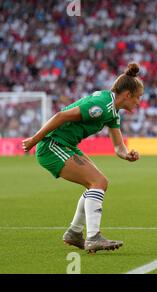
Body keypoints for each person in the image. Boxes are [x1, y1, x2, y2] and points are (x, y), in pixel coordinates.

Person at [22, 63, 144, 254]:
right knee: (98, 182)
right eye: (138, 97)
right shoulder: (101, 106)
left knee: (99, 183)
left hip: (66, 145)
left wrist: (126, 155)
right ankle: (93, 237)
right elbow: (61, 116)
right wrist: (34, 140)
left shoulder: (112, 110)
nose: (139, 102)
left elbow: (118, 146)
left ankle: (75, 233)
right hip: (52, 145)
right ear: (127, 94)